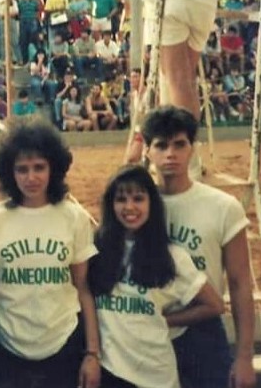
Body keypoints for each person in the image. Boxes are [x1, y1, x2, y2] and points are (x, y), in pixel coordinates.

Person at [141, 105, 256, 388]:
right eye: (161, 145)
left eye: (180, 144)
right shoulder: (133, 207)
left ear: (192, 148)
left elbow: (241, 284)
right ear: (147, 150)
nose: (171, 154)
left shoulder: (223, 207)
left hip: (202, 331)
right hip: (147, 331)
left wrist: (244, 357)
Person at [0, 119, 100, 388]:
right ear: (9, 172)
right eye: (22, 169)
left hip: (64, 342)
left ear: (54, 168)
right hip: (8, 347)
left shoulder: (74, 217)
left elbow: (83, 287)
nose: (31, 177)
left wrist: (92, 353)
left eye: (39, 167)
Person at [88, 165, 224, 388]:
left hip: (155, 375)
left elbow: (214, 305)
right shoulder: (96, 249)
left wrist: (166, 320)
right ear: (111, 204)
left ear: (152, 203)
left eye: (138, 199)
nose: (129, 207)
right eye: (121, 199)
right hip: (109, 370)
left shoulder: (172, 256)